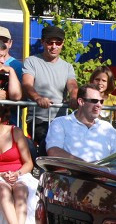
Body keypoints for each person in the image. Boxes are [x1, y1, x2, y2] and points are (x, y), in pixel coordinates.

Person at [21, 25, 79, 154]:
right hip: (39, 120)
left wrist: (74, 98)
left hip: (61, 120)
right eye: (50, 42)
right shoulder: (32, 61)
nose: (54, 46)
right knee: (49, 141)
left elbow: (73, 86)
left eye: (58, 43)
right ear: (42, 42)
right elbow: (27, 84)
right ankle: (41, 168)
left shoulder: (67, 66)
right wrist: (38, 98)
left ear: (62, 44)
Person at [46, 84, 116, 162]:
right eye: (94, 101)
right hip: (71, 173)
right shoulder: (60, 123)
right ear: (81, 102)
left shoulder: (107, 127)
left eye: (101, 101)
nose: (99, 105)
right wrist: (84, 165)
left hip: (102, 173)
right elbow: (53, 151)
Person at [0, 108, 33, 224]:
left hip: (19, 172)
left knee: (20, 190)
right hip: (1, 175)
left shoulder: (15, 132)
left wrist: (17, 173)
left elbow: (29, 163)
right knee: (3, 190)